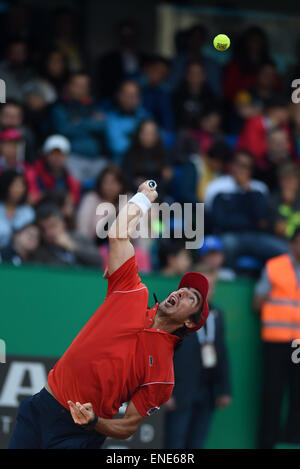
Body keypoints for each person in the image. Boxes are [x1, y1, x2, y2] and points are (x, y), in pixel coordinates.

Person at [9, 180, 210, 449]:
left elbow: (127, 426)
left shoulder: (163, 375)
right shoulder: (132, 291)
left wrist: (94, 423)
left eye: (191, 297)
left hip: (78, 435)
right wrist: (141, 199)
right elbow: (117, 234)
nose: (182, 292)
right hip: (41, 405)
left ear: (189, 322)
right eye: (183, 288)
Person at [164, 263, 231, 449]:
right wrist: (167, 392)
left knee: (197, 441)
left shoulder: (218, 314)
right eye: (206, 287)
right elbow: (167, 354)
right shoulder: (178, 315)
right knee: (175, 441)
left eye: (214, 286)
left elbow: (221, 352)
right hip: (181, 390)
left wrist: (225, 389)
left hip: (207, 390)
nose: (211, 291)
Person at [254, 228, 300, 448]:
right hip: (275, 341)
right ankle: (267, 441)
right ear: (291, 244)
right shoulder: (274, 266)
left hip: (298, 344)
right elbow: (258, 301)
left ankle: (293, 439)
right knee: (272, 393)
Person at [204, 150, 288, 268]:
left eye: (247, 167)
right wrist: (249, 223)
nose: (242, 170)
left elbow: (262, 219)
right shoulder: (217, 187)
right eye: (239, 165)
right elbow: (219, 222)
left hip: (256, 236)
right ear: (232, 165)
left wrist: (247, 190)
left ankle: (271, 278)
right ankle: (226, 274)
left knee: (284, 250)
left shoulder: (258, 189)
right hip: (229, 235)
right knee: (227, 244)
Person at [51, 72, 106, 184]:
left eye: (84, 86)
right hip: (72, 158)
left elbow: (102, 126)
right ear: (69, 86)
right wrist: (91, 123)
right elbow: (64, 129)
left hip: (96, 159)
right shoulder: (60, 106)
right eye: (77, 85)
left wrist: (78, 123)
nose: (81, 89)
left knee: (110, 177)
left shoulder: (94, 106)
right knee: (73, 185)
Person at [35, 204, 102, 267]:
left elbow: (98, 261)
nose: (48, 232)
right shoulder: (41, 251)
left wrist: (73, 247)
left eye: (52, 226)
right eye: (43, 229)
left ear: (63, 224)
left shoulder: (80, 238)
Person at [97, 20, 147, 99]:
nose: (128, 37)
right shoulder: (108, 59)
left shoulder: (145, 59)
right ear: (120, 35)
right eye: (125, 33)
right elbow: (104, 84)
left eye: (131, 33)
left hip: (141, 98)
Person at [236, 96, 291, 169]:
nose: (288, 113)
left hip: (278, 164)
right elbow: (254, 151)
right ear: (273, 110)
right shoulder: (254, 123)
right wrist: (276, 149)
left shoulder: (284, 126)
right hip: (252, 166)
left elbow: (290, 149)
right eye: (285, 110)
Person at [25, 134, 81, 205]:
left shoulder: (72, 180)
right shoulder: (33, 173)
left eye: (60, 154)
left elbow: (74, 201)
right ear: (46, 155)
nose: (56, 158)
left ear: (66, 156)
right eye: (53, 154)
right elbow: (31, 199)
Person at [122, 120, 172, 197]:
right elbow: (125, 178)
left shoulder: (164, 153)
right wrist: (135, 182)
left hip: (158, 194)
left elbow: (167, 181)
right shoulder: (130, 153)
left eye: (152, 133)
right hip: (136, 193)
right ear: (139, 134)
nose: (149, 137)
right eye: (145, 133)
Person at [104, 80, 150, 163]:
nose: (131, 99)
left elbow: (154, 143)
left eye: (134, 96)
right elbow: (117, 147)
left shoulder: (146, 116)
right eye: (128, 95)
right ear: (119, 96)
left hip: (144, 163)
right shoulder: (110, 118)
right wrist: (141, 142)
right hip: (121, 165)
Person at [172, 60, 216, 130]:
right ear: (187, 75)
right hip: (184, 133)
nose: (195, 76)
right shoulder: (178, 94)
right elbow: (176, 119)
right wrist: (199, 122)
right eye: (192, 73)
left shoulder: (210, 95)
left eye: (198, 73)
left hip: (206, 132)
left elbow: (214, 115)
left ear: (204, 76)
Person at [0, 170, 35, 249]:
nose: (19, 190)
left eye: (21, 186)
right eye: (15, 185)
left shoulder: (28, 212)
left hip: (20, 257)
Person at [268, 163, 300, 239]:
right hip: (280, 241)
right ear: (280, 181)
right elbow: (280, 229)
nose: (289, 184)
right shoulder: (272, 199)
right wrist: (286, 203)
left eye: (292, 179)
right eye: (285, 180)